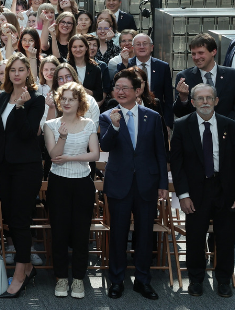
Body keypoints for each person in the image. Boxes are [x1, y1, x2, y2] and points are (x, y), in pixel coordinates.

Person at [170, 83, 235, 298]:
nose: (205, 102)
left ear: (216, 101)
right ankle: (195, 279)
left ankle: (223, 280)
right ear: (193, 102)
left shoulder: (231, 126)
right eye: (200, 98)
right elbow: (176, 164)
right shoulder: (182, 126)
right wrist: (183, 195)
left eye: (209, 98)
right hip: (195, 191)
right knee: (195, 237)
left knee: (226, 237)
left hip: (226, 190)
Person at [98, 69, 167, 300]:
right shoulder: (108, 116)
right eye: (117, 87)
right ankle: (116, 280)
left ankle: (143, 280)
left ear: (137, 91)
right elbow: (105, 146)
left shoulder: (153, 116)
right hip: (119, 183)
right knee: (117, 234)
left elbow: (161, 153)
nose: (119, 91)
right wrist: (116, 126)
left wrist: (163, 184)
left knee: (145, 234)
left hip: (146, 183)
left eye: (125, 88)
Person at [0, 54, 45, 298]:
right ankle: (28, 266)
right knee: (11, 219)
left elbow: (28, 134)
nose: (17, 74)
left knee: (20, 221)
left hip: (26, 168)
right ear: (7, 73)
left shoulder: (36, 100)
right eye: (13, 70)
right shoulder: (2, 97)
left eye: (22, 69)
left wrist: (21, 107)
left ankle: (20, 274)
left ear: (28, 73)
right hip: (4, 168)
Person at [43, 82, 99, 299]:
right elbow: (54, 157)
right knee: (59, 231)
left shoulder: (89, 124)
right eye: (63, 98)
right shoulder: (51, 124)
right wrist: (63, 137)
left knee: (81, 232)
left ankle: (77, 279)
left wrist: (71, 158)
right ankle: (61, 278)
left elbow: (94, 154)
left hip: (83, 182)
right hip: (58, 182)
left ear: (79, 102)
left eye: (71, 99)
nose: (66, 102)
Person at [173, 33, 235, 126]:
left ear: (213, 52)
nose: (196, 57)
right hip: (197, 134)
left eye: (200, 53)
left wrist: (224, 126)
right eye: (193, 54)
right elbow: (180, 114)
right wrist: (183, 98)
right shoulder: (184, 77)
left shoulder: (233, 75)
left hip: (227, 133)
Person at [116, 33, 174, 129]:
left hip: (156, 115)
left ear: (151, 47)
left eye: (145, 43)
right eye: (138, 44)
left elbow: (168, 98)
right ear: (133, 48)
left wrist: (167, 124)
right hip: (131, 113)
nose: (142, 47)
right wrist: (124, 64)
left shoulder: (162, 67)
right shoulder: (125, 65)